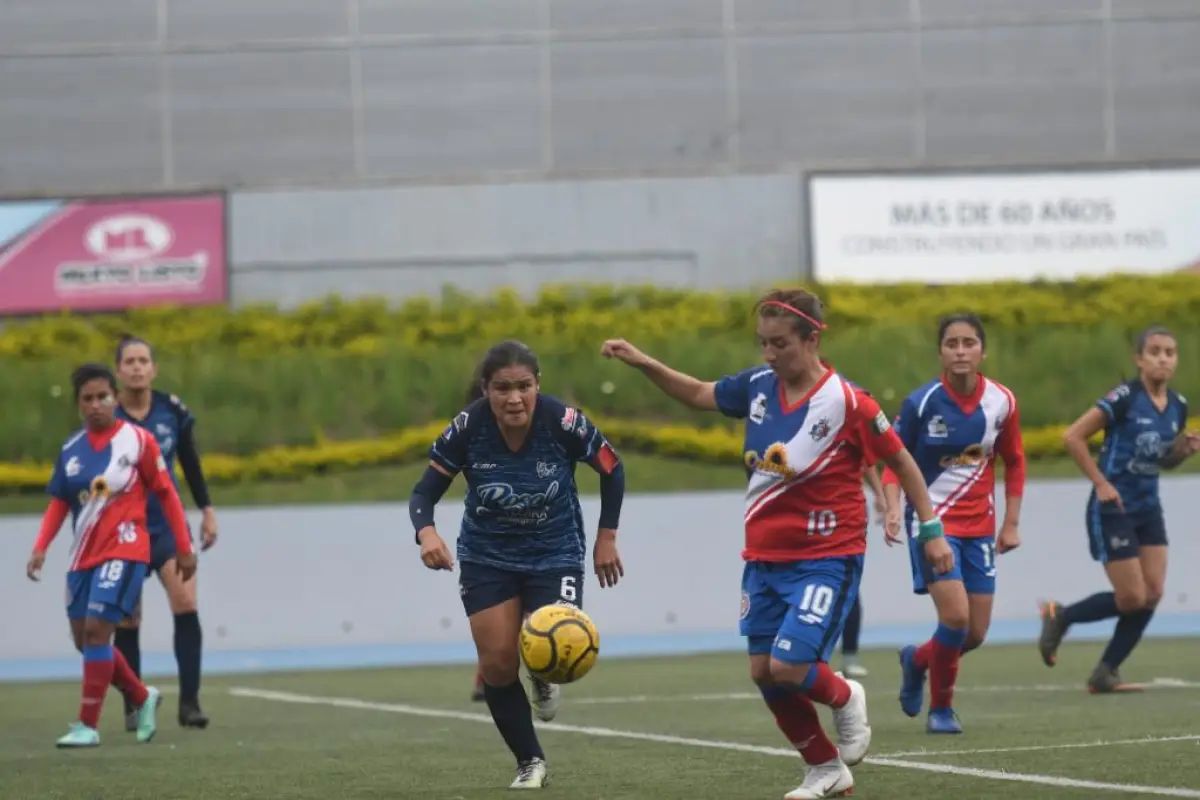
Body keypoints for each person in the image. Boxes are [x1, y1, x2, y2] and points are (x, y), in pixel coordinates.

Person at [601, 288, 953, 800]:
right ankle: (825, 768)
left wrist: (931, 529)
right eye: (763, 343)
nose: (769, 354)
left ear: (812, 339)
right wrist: (642, 362)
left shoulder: (848, 401)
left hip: (826, 557)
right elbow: (700, 393)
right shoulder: (759, 386)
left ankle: (844, 695)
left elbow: (901, 461)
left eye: (780, 344)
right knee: (764, 672)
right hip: (764, 558)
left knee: (790, 665)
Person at [409, 340, 627, 789]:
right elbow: (423, 493)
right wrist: (426, 532)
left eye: (524, 386)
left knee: (553, 644)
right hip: (486, 556)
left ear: (537, 385)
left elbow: (612, 467)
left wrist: (607, 537)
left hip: (556, 551)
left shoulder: (562, 421)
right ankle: (530, 762)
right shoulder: (468, 427)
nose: (514, 398)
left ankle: (545, 675)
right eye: (503, 388)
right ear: (486, 389)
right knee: (497, 665)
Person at [25, 363, 197, 748]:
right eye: (88, 398)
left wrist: (184, 547)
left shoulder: (138, 441)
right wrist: (41, 547)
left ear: (115, 398)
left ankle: (87, 724)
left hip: (126, 546)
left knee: (98, 631)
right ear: (80, 405)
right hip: (82, 555)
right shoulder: (71, 449)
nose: (97, 404)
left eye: (103, 396)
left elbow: (167, 493)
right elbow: (59, 502)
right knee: (84, 640)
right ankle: (140, 695)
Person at [883, 313, 1026, 734]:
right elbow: (894, 461)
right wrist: (893, 507)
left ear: (982, 350)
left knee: (975, 633)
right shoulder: (921, 403)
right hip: (931, 526)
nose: (960, 351)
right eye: (952, 344)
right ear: (941, 351)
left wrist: (1011, 523)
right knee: (957, 618)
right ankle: (940, 710)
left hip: (979, 527)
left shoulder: (1002, 402)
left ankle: (917, 660)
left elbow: (1015, 461)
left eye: (968, 343)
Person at [1039, 326, 1199, 692]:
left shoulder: (1178, 406)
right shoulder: (1125, 397)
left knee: (1153, 592)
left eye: (1170, 352)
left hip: (1148, 507)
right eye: (1155, 351)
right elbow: (1072, 436)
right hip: (1114, 507)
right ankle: (1061, 616)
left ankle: (1105, 672)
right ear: (1139, 359)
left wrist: (1182, 452)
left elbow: (1161, 460)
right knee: (1132, 598)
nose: (1163, 357)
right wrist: (1100, 482)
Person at [111, 335, 218, 730]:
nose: (137, 367)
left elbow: (190, 462)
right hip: (122, 531)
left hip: (167, 528)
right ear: (119, 371)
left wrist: (207, 509)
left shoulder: (171, 410)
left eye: (144, 360)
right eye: (130, 361)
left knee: (186, 603)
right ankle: (133, 705)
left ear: (153, 369)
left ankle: (189, 703)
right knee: (126, 618)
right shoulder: (109, 417)